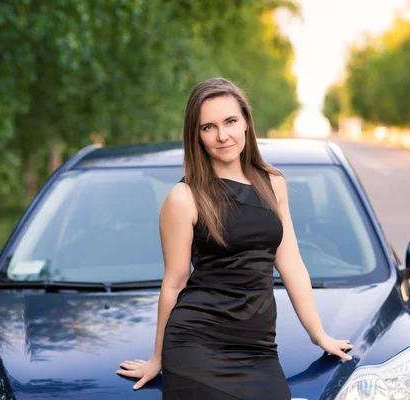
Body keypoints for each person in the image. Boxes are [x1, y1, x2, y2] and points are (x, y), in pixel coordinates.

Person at [116, 78, 353, 399]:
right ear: (196, 136)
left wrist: (318, 334)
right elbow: (174, 282)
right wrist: (157, 358)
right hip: (197, 346)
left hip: (259, 350)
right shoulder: (184, 197)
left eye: (230, 121)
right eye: (208, 127)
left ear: (246, 123)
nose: (222, 135)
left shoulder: (273, 183)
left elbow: (292, 264)